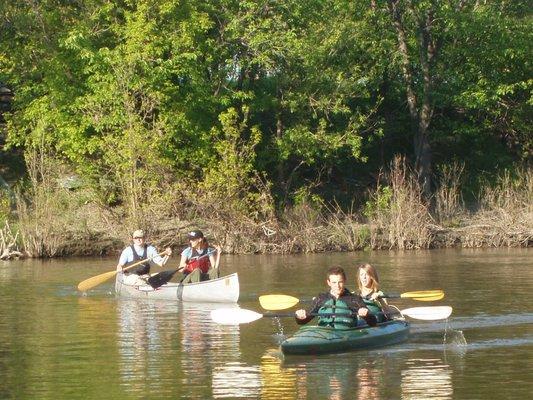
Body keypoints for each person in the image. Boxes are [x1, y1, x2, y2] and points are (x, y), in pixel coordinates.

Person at [294, 266, 377, 328]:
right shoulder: (321, 298)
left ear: (344, 281)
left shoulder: (354, 299)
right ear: (329, 283)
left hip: (346, 335)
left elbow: (373, 322)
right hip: (323, 334)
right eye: (334, 283)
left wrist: (366, 314)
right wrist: (299, 316)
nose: (337, 286)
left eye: (340, 282)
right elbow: (302, 321)